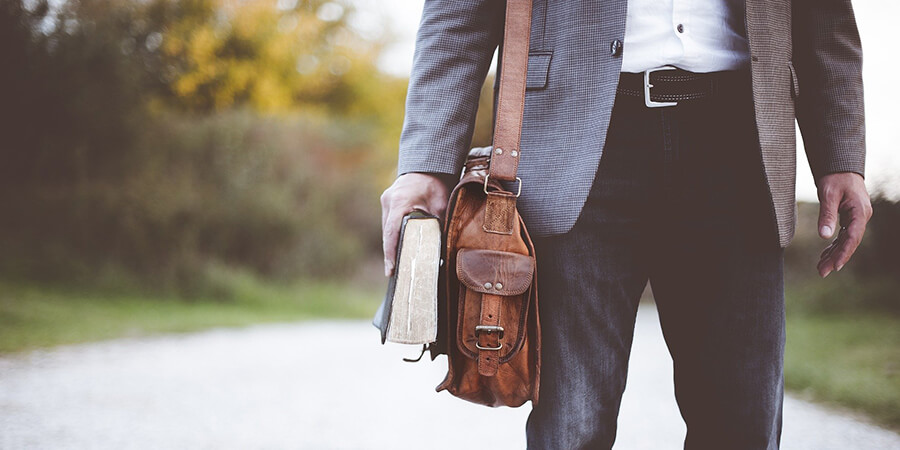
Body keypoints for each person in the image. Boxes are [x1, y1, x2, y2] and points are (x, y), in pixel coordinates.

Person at [380, 0, 872, 448]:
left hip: (742, 144)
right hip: (577, 139)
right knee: (573, 424)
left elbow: (826, 19)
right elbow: (458, 14)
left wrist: (841, 154)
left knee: (743, 424)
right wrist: (426, 163)